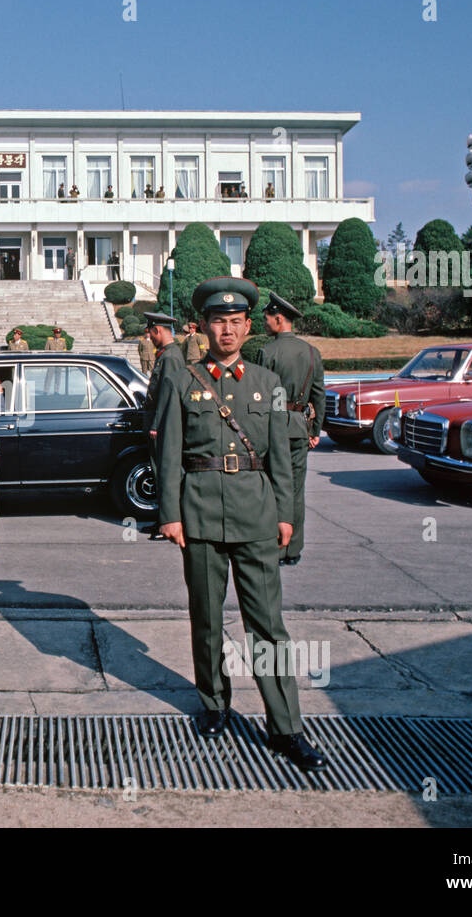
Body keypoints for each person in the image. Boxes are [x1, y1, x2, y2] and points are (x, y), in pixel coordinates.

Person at [154, 278, 326, 772]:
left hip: (256, 515)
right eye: (218, 321)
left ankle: (286, 727)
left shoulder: (267, 384)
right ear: (203, 326)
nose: (226, 330)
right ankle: (213, 704)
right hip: (201, 513)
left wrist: (288, 516)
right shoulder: (182, 380)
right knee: (206, 618)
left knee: (268, 626)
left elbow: (282, 458)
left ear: (248, 327)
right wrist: (169, 514)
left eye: (235, 322)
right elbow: (166, 453)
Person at [252, 290, 324, 567]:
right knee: (295, 489)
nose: (264, 322)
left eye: (267, 317)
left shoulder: (266, 352)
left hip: (273, 426)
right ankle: (293, 548)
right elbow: (319, 394)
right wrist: (315, 430)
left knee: (272, 486)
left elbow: (259, 395)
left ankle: (273, 544)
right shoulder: (310, 352)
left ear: (279, 318)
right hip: (298, 427)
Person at [141, 312, 184, 540]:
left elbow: (168, 395)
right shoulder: (166, 355)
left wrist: (156, 424)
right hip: (160, 421)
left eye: (151, 333)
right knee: (160, 473)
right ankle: (162, 518)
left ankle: (168, 519)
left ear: (158, 331)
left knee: (165, 473)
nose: (151, 337)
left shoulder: (170, 357)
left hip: (164, 424)